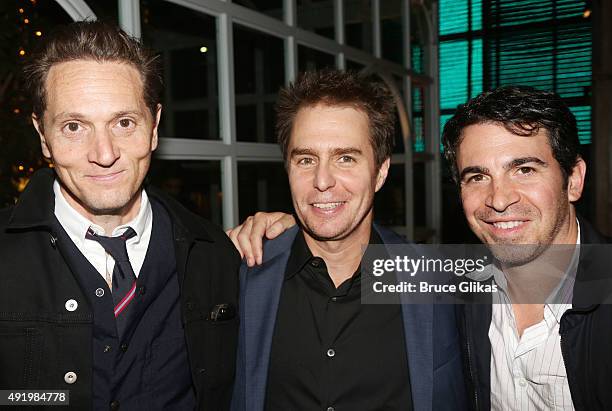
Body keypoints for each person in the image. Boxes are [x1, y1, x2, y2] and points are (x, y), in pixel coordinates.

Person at [0, 21, 240, 410]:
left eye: (124, 123)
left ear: (154, 126)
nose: (104, 152)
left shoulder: (215, 255)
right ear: (43, 135)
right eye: (74, 126)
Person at [229, 69, 466, 411]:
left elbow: (552, 280)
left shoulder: (438, 280)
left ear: (380, 172)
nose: (322, 181)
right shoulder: (242, 275)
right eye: (306, 159)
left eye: (345, 158)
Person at [442, 85, 612, 410]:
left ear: (573, 179)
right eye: (478, 177)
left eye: (524, 170)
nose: (500, 199)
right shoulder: (455, 296)